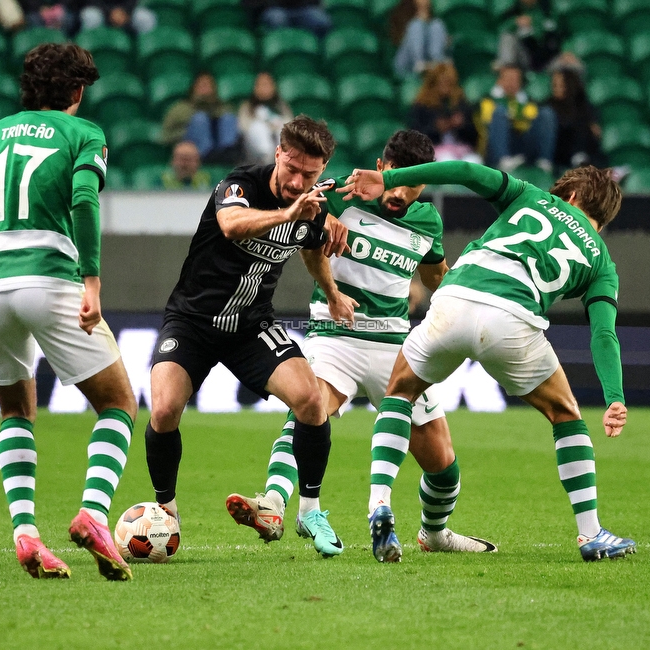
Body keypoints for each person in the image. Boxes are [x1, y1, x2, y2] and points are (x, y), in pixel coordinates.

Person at [340, 161, 636, 563]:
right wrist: (614, 395)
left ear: (571, 194)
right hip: (511, 321)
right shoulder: (602, 260)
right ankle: (590, 534)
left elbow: (465, 171)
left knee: (401, 392)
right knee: (566, 415)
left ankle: (379, 500)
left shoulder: (533, 196)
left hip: (455, 296)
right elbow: (603, 333)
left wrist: (389, 178)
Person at [0, 43, 139, 581]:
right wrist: (91, 279)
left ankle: (25, 533)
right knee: (118, 404)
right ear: (76, 92)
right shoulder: (84, 133)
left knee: (16, 411)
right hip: (50, 281)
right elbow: (85, 200)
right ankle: (93, 513)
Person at [224, 130, 497, 560]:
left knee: (444, 465)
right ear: (381, 166)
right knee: (311, 408)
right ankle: (274, 503)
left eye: (415, 183)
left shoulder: (427, 220)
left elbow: (433, 274)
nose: (402, 191)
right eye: (396, 178)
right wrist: (316, 220)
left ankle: (435, 533)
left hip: (395, 345)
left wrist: (459, 284)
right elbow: (291, 213)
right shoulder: (340, 195)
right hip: (337, 337)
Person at [144, 116, 353, 559]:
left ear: (322, 169)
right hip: (192, 320)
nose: (298, 182)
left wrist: (333, 294)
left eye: (309, 175)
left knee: (311, 400)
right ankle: (166, 513)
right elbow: (233, 226)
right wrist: (289, 213)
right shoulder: (239, 185)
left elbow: (314, 251)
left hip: (251, 325)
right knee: (163, 409)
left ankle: (309, 511)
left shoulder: (314, 207)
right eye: (292, 168)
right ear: (278, 153)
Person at [479, 63, 557, 173]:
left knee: (546, 113)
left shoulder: (526, 100)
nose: (512, 82)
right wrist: (515, 117)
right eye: (508, 78)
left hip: (523, 142)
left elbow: (531, 117)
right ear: (500, 80)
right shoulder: (489, 99)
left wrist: (515, 117)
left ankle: (544, 160)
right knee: (499, 113)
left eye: (515, 79)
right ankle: (504, 160)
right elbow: (487, 120)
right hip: (500, 143)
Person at [161, 71, 240, 164]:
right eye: (201, 85)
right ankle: (207, 154)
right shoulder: (180, 109)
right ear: (193, 88)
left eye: (208, 85)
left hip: (222, 150)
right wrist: (185, 132)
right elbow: (165, 136)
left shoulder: (224, 108)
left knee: (228, 117)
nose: (205, 89)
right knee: (200, 118)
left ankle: (228, 153)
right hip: (192, 150)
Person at [409, 62, 481, 163]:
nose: (445, 88)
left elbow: (474, 137)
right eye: (441, 83)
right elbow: (415, 137)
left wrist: (461, 125)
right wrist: (436, 129)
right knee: (447, 160)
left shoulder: (461, 104)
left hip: (462, 149)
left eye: (449, 83)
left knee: (474, 161)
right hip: (435, 149)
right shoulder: (422, 106)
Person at [548, 67, 606, 170]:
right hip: (560, 151)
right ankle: (579, 157)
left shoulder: (582, 105)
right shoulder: (548, 105)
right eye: (554, 85)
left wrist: (594, 124)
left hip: (586, 151)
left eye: (561, 85)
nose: (556, 88)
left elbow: (595, 130)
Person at [237, 72, 293, 165]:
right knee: (258, 127)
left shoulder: (282, 106)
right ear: (255, 88)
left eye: (267, 84)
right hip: (253, 152)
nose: (264, 88)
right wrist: (266, 125)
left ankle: (280, 159)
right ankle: (268, 159)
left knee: (284, 127)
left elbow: (291, 126)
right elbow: (243, 128)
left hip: (278, 144)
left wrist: (274, 125)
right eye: (261, 85)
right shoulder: (247, 106)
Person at [495, 0, 562, 73]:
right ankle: (507, 68)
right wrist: (515, 22)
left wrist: (535, 23)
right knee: (507, 36)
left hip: (550, 57)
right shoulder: (513, 10)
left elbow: (562, 32)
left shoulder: (549, 9)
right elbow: (501, 29)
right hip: (525, 57)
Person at [389, 0, 449, 81]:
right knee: (416, 25)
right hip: (406, 63)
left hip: (430, 62)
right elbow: (395, 39)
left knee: (437, 25)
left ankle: (437, 63)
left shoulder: (435, 18)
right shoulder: (402, 12)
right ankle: (419, 63)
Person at [253, 0, 331, 39]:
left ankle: (313, 53)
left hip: (303, 8)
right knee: (278, 20)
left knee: (321, 22)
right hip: (275, 8)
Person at [78, 0, 155, 35]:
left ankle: (144, 60)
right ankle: (88, 58)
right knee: (91, 16)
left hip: (125, 12)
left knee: (145, 18)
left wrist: (125, 11)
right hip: (101, 11)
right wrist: (109, 13)